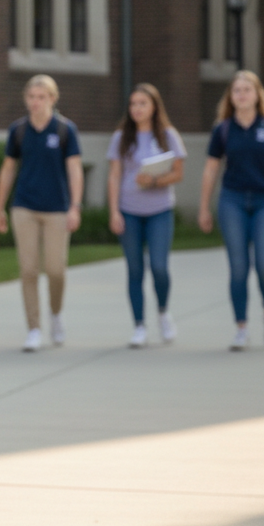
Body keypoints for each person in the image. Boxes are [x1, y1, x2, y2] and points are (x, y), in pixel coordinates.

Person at [198, 70, 264, 350]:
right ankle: (241, 327)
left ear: (257, 94)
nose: (241, 94)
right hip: (233, 201)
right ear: (231, 97)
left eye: (246, 90)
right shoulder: (223, 128)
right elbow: (211, 168)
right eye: (236, 91)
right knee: (238, 268)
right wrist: (204, 207)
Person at [0, 74, 84, 351]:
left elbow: (75, 169)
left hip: (57, 209)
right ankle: (33, 328)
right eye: (31, 97)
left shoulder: (65, 130)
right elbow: (8, 169)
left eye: (41, 97)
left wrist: (75, 207)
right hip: (24, 207)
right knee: (29, 269)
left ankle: (55, 314)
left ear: (52, 99)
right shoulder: (18, 130)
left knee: (56, 270)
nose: (35, 102)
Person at [107, 84, 187, 348]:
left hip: (159, 211)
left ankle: (163, 312)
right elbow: (115, 175)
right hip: (129, 211)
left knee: (160, 267)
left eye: (142, 103)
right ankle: (139, 325)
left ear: (154, 106)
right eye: (133, 104)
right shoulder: (121, 137)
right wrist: (114, 211)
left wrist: (154, 180)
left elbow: (178, 173)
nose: (137, 109)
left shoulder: (167, 135)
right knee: (134, 269)